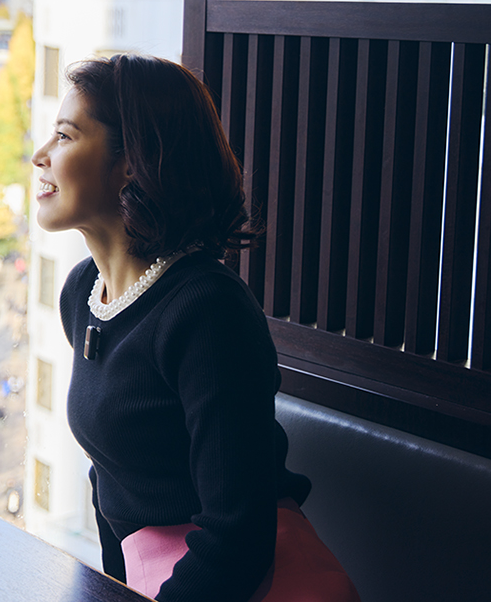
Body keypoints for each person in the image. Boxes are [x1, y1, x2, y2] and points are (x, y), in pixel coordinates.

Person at [31, 55, 359, 602]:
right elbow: (110, 477)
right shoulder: (83, 292)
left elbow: (238, 536)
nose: (40, 155)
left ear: (131, 163)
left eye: (64, 136)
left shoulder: (208, 311)